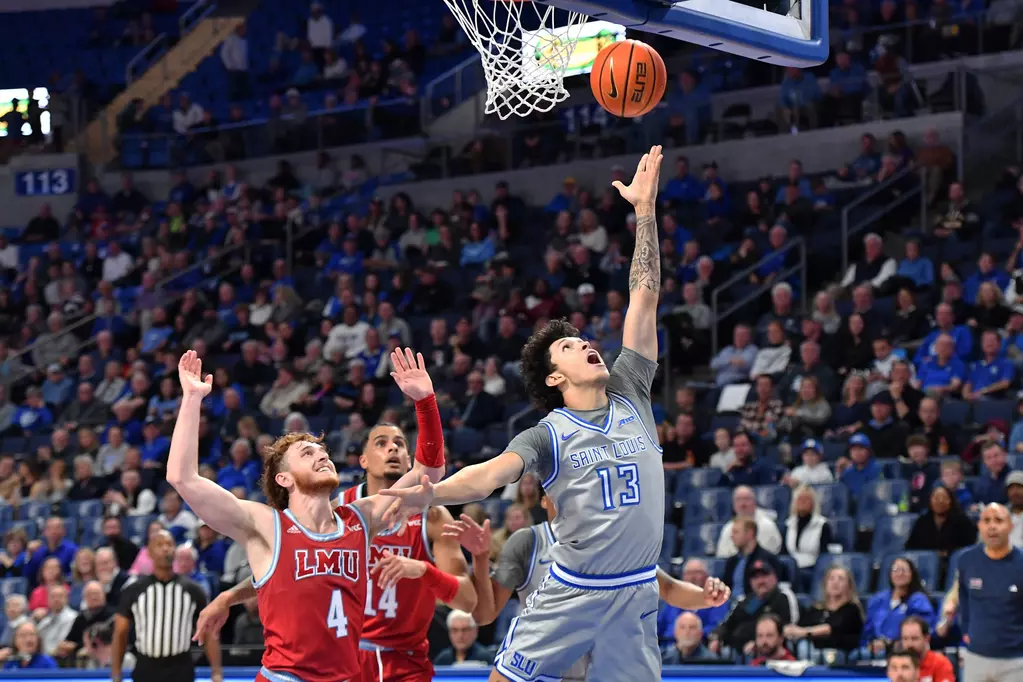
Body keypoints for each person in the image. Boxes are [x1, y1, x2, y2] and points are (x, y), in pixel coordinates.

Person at [381, 146, 729, 682]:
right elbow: (489, 475)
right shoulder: (548, 435)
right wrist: (428, 493)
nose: (587, 344)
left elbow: (644, 296)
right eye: (569, 347)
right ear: (553, 378)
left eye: (584, 340)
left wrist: (644, 213)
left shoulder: (630, 389)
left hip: (635, 590)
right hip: (572, 591)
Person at [169, 349, 446, 682]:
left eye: (323, 452)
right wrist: (192, 399)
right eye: (307, 453)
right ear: (283, 479)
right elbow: (183, 478)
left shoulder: (359, 518)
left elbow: (429, 470)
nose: (321, 456)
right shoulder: (266, 525)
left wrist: (425, 402)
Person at [443, 489, 731, 679]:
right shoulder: (528, 542)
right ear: (544, 499)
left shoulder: (613, 540)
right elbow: (484, 615)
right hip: (545, 672)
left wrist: (705, 597)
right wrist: (480, 558)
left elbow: (667, 588)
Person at [111, 530, 220, 682]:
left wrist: (217, 672)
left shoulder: (193, 590)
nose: (165, 548)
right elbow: (120, 633)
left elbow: (208, 632)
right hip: (146, 669)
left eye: (169, 544)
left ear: (175, 550)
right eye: (159, 545)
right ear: (149, 552)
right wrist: (116, 673)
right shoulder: (133, 591)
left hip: (181, 669)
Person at [957, 503, 1023, 681]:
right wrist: (965, 630)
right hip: (976, 658)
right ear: (979, 526)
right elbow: (963, 597)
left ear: (1010, 526)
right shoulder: (966, 560)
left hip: (1015, 662)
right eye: (986, 521)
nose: (992, 526)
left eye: (998, 520)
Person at [898, 616, 954, 682]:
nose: (909, 644)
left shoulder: (940, 663)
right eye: (905, 639)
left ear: (927, 638)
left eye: (914, 638)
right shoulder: (897, 665)